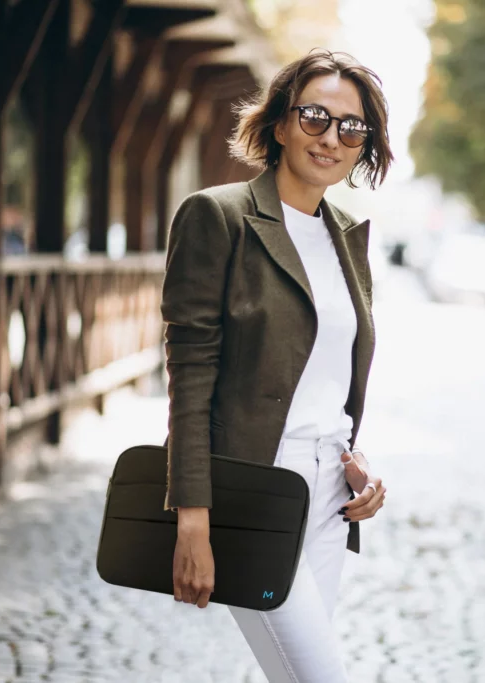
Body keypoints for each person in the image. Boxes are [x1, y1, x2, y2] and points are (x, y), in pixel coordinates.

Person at [161, 50, 393, 682]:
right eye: (315, 117)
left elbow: (327, 378)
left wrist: (356, 465)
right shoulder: (219, 216)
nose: (331, 137)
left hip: (330, 496)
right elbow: (190, 375)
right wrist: (192, 516)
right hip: (253, 488)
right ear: (282, 123)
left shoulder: (348, 235)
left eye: (352, 127)